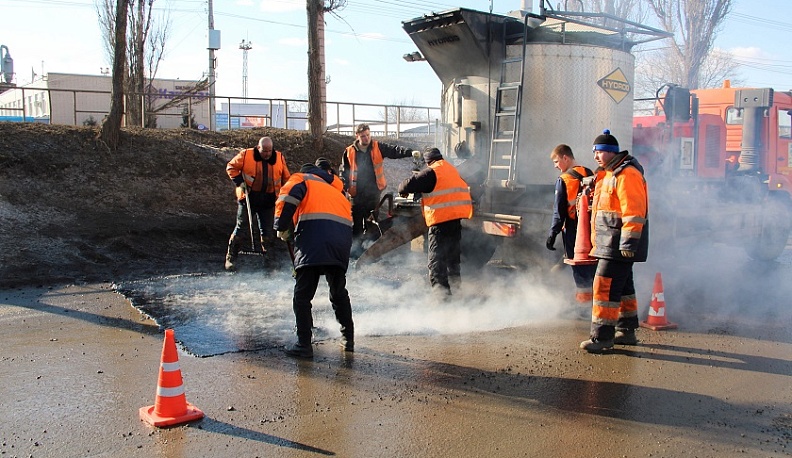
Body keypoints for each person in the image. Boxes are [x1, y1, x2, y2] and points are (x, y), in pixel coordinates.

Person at [274, 163, 354, 359]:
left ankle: (303, 345)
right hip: (341, 243)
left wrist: (281, 226)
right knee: (338, 292)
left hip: (313, 240)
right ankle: (348, 340)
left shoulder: (302, 178)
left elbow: (287, 198)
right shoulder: (337, 191)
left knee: (302, 295)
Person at [580, 129, 649, 353]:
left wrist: (628, 243)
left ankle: (602, 337)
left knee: (604, 287)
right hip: (610, 242)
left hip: (617, 243)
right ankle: (626, 331)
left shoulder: (626, 174)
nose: (596, 156)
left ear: (612, 152)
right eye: (594, 152)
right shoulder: (608, 174)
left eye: (600, 152)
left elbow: (634, 211)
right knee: (624, 288)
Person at [397, 147, 473, 300]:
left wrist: (403, 190)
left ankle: (442, 298)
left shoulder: (432, 172)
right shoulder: (451, 169)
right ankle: (457, 292)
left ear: (428, 161)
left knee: (436, 262)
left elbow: (405, 186)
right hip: (455, 220)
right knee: (452, 258)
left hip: (440, 222)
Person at [339, 123, 413, 256]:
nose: (366, 138)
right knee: (357, 223)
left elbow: (394, 150)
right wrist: (343, 186)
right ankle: (355, 252)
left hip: (373, 192)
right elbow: (344, 171)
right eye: (363, 136)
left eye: (368, 135)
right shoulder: (349, 151)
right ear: (357, 136)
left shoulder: (377, 147)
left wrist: (410, 152)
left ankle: (371, 251)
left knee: (372, 222)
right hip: (356, 193)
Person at [224, 137, 291, 271]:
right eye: (264, 151)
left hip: (268, 200)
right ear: (258, 147)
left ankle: (269, 261)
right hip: (248, 199)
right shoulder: (246, 155)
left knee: (267, 231)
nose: (267, 154)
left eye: (269, 151)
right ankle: (231, 258)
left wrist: (288, 194)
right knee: (241, 227)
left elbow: (286, 178)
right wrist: (240, 182)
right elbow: (231, 167)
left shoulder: (279, 157)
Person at [545, 144, 597, 311]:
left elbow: (559, 211)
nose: (555, 166)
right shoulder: (590, 173)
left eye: (556, 161)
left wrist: (553, 233)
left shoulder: (564, 180)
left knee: (579, 267)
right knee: (593, 265)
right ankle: (595, 305)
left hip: (574, 230)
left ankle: (583, 308)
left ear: (565, 158)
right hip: (593, 228)